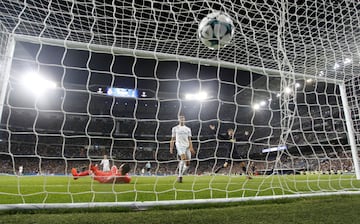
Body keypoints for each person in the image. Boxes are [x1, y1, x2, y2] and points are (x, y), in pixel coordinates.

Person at [170, 115, 195, 183]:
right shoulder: (175, 128)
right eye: (180, 118)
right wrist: (171, 147)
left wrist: (191, 147)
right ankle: (180, 176)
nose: (182, 119)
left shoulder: (188, 129)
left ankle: (181, 173)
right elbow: (172, 139)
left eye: (183, 118)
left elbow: (190, 139)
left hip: (187, 146)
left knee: (187, 163)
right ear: (178, 120)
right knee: (183, 159)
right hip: (179, 145)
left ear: (185, 119)